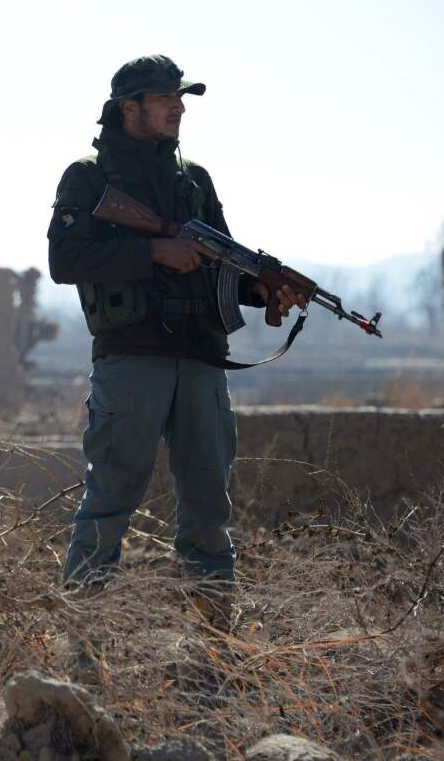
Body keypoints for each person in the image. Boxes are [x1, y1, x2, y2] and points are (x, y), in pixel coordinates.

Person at [47, 55, 304, 609]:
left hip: (202, 360)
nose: (179, 107)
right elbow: (65, 260)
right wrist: (154, 251)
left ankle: (213, 648)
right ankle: (81, 636)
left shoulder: (195, 181)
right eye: (166, 99)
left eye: (180, 98)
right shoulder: (88, 177)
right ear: (129, 108)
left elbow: (222, 270)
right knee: (111, 499)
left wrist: (263, 294)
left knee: (209, 510)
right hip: (133, 358)